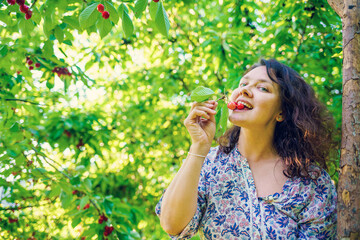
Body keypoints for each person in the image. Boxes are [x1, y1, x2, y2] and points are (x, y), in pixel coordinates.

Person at [155, 59, 337, 239]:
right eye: (243, 84)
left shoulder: (312, 182)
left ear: (281, 112)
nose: (244, 90)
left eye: (263, 88)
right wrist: (199, 146)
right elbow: (172, 225)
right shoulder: (209, 163)